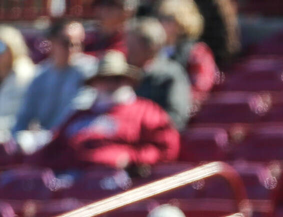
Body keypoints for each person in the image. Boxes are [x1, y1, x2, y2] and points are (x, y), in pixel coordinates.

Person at [35, 50, 179, 172]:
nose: (110, 84)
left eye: (117, 79)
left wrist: (131, 158)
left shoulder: (147, 112)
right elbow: (48, 153)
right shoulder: (79, 116)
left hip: (123, 182)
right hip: (75, 180)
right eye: (104, 79)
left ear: (128, 81)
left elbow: (166, 149)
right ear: (95, 83)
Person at [13, 19, 94, 140]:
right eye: (67, 42)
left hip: (72, 140)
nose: (74, 48)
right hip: (41, 140)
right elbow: (25, 115)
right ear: (51, 42)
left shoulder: (90, 71)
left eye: (80, 43)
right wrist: (15, 138)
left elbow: (78, 111)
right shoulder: (40, 75)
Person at [125, 17, 190, 132]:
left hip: (154, 137)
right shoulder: (122, 75)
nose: (128, 51)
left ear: (151, 47)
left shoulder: (170, 74)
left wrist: (144, 127)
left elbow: (176, 116)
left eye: (133, 46)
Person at [156, 0, 218, 107]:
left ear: (182, 22)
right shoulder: (153, 50)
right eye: (160, 18)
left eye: (168, 19)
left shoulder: (197, 51)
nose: (161, 23)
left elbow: (200, 87)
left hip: (182, 110)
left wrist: (174, 102)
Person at [0, 26, 35, 144]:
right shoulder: (3, 73)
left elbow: (20, 117)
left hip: (15, 135)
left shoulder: (24, 75)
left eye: (0, 47)